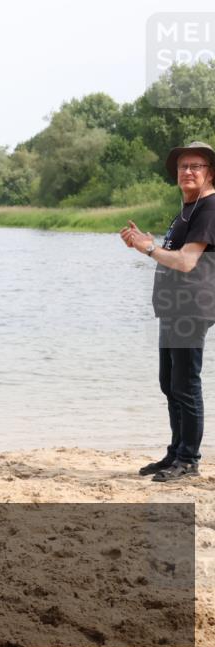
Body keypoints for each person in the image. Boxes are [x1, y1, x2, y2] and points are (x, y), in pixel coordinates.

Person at [121, 141, 215, 482]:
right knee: (169, 383)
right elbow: (172, 253)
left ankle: (189, 460)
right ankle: (176, 452)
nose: (188, 171)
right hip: (174, 309)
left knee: (185, 384)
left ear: (210, 173)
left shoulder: (209, 208)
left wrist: (150, 249)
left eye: (196, 166)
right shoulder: (187, 210)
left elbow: (187, 262)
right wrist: (146, 243)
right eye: (182, 166)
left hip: (193, 307)